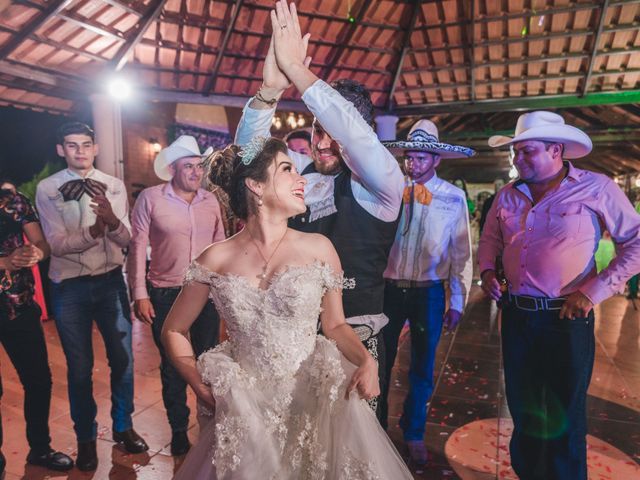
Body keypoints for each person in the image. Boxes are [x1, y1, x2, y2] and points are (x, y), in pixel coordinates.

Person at [161, 136, 413, 479]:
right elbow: (173, 329)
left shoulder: (319, 248)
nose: (302, 179)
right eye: (287, 169)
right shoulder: (214, 258)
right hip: (245, 405)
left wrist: (366, 360)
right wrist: (197, 383)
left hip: (311, 398)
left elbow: (336, 325)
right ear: (255, 185)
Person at [235, 0, 404, 417]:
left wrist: (298, 70)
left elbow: (356, 137)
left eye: (334, 133)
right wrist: (270, 92)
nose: (322, 143)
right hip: (292, 337)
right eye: (316, 130)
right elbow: (246, 161)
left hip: (355, 339)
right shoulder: (302, 180)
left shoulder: (382, 184)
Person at [478, 111, 640, 480]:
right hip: (517, 315)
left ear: (556, 150)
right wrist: (488, 270)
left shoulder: (597, 188)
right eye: (515, 153)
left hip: (566, 319)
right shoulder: (507, 195)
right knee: (524, 408)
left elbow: (635, 242)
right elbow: (490, 239)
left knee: (565, 414)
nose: (518, 160)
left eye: (527, 152)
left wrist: (592, 292)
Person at [36, 122, 148, 471]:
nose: (79, 151)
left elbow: (128, 239)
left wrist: (113, 223)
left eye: (85, 144)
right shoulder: (48, 189)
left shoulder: (114, 185)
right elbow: (56, 245)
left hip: (111, 282)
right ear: (61, 150)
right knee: (80, 368)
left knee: (124, 360)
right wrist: (94, 231)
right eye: (71, 145)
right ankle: (85, 439)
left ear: (95, 148)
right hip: (69, 286)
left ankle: (123, 427)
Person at [380, 119, 475, 464]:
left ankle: (414, 432)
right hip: (388, 289)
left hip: (429, 293)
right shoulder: (390, 190)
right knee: (379, 360)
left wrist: (458, 300)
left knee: (422, 364)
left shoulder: (453, 197)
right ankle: (375, 427)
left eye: (422, 158)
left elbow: (461, 252)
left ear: (437, 160)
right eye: (410, 157)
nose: (414, 164)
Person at [128, 135, 225, 456]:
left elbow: (221, 246)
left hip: (206, 293)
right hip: (166, 293)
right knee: (174, 366)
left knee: (209, 361)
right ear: (172, 169)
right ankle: (180, 429)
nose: (197, 173)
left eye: (200, 166)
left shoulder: (210, 201)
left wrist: (226, 292)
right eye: (189, 167)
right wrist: (139, 292)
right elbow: (138, 245)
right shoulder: (150, 198)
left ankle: (211, 428)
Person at [0, 185, 74, 473]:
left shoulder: (14, 200)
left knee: (39, 381)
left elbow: (42, 243)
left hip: (19, 306)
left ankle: (41, 449)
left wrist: (35, 254)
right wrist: (5, 261)